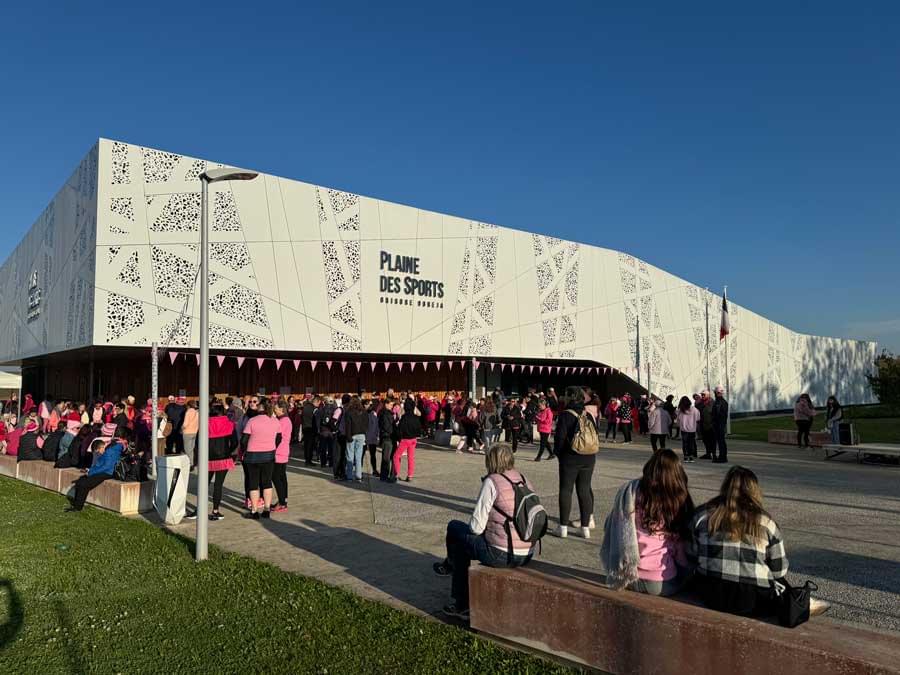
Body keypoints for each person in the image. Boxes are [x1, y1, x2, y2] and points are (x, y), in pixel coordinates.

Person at [690, 466, 829, 618]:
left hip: (711, 593)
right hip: (752, 601)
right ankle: (802, 602)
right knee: (776, 578)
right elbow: (779, 570)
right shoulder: (766, 523)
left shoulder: (701, 515)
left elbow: (691, 554)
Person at [432, 443, 535, 620]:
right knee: (463, 541)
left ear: (490, 461)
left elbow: (475, 527)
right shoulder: (523, 478)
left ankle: (461, 602)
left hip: (502, 554)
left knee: (456, 531)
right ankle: (449, 567)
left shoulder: (492, 481)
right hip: (527, 552)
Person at [601, 449, 694, 595]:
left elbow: (610, 525)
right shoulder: (676, 501)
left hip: (630, 576)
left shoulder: (630, 494)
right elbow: (681, 551)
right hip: (661, 581)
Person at [553, 386, 597, 539]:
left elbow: (559, 439)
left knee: (566, 490)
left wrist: (558, 454)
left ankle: (563, 527)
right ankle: (585, 528)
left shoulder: (565, 415)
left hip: (570, 457)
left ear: (570, 397)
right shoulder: (588, 414)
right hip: (589, 456)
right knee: (584, 490)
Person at [241, 399, 282, 519]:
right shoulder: (275, 421)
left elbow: (244, 439)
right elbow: (279, 438)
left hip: (252, 455)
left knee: (253, 483)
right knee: (267, 482)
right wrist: (272, 447)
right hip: (269, 455)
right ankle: (267, 509)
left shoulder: (252, 421)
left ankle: (254, 511)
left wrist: (244, 451)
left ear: (261, 407)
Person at [65, 432, 125, 512]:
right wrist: (90, 470)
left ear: (101, 448)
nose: (99, 453)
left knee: (83, 484)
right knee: (80, 482)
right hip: (103, 470)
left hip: (107, 472)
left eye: (98, 451)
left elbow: (106, 467)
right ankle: (76, 504)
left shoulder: (110, 450)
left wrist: (90, 473)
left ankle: (77, 507)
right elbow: (100, 464)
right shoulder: (110, 448)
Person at [206, 403, 237, 521]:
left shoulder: (205, 424)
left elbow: (198, 442)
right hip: (223, 457)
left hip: (208, 458)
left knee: (204, 484)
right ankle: (215, 510)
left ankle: (199, 509)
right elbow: (235, 442)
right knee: (218, 485)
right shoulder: (229, 424)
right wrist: (228, 451)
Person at [394, 399, 421, 482]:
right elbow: (419, 430)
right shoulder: (416, 418)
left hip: (405, 439)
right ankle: (410, 475)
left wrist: (398, 437)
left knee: (396, 456)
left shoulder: (404, 418)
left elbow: (399, 430)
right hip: (413, 439)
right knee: (411, 457)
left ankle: (396, 474)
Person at [345, 396, 368, 482]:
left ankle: (349, 476)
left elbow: (348, 425)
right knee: (358, 457)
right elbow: (366, 424)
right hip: (361, 435)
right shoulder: (364, 411)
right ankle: (359, 476)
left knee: (350, 456)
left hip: (352, 435)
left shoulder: (348, 412)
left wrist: (348, 436)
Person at [675, 396, 700, 462]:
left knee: (685, 443)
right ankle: (691, 456)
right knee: (691, 443)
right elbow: (698, 418)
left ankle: (686, 456)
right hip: (692, 429)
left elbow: (678, 420)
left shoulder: (680, 410)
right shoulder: (694, 409)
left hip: (684, 429)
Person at [378, 396, 397, 481]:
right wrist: (394, 430)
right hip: (388, 437)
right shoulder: (384, 413)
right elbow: (386, 426)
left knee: (390, 457)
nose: (392, 406)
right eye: (390, 404)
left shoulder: (388, 413)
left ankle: (386, 475)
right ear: (386, 404)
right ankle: (384, 476)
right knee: (386, 458)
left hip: (389, 437)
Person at [710, 386, 729, 463]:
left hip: (720, 425)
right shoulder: (717, 402)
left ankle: (723, 457)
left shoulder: (722, 402)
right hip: (717, 424)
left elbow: (721, 415)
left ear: (718, 393)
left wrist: (716, 420)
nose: (714, 394)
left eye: (715, 392)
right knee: (720, 441)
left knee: (721, 441)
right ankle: (721, 456)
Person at [182, 399, 200, 467]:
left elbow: (185, 423)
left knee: (187, 449)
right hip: (195, 432)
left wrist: (182, 428)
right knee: (192, 449)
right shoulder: (197, 412)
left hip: (187, 432)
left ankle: (190, 464)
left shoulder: (188, 412)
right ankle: (192, 462)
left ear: (188, 405)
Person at [301, 396, 317, 465]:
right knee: (310, 445)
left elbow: (301, 416)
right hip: (311, 428)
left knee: (306, 444)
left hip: (305, 427)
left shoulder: (304, 407)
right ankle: (308, 460)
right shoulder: (313, 408)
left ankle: (306, 459)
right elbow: (315, 419)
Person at [698, 390, 714, 459]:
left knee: (711, 440)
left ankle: (713, 454)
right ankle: (708, 453)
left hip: (710, 425)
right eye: (702, 395)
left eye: (704, 395)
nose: (702, 396)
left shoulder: (712, 403)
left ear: (708, 395)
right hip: (703, 424)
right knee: (705, 440)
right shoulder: (701, 403)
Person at [365, 400, 380, 476]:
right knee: (361, 455)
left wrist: (377, 436)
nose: (368, 406)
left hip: (371, 437)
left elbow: (376, 426)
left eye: (370, 405)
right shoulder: (362, 413)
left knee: (373, 454)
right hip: (365, 436)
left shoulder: (373, 414)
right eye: (367, 404)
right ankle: (358, 471)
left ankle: (374, 470)